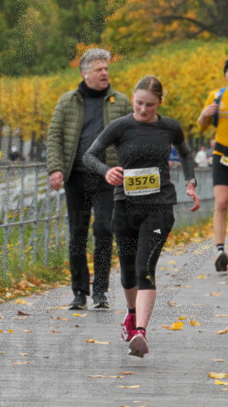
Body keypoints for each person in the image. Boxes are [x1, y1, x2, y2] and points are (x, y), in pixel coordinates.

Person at [80, 75, 200, 358]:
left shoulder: (170, 127)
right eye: (139, 103)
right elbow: (89, 156)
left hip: (159, 207)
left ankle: (140, 332)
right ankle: (132, 314)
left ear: (160, 103)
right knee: (128, 272)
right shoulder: (120, 126)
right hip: (125, 207)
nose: (143, 109)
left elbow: (185, 154)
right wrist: (106, 171)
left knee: (145, 267)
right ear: (133, 98)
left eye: (150, 105)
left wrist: (190, 182)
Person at [46, 48, 133, 310]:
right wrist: (55, 169)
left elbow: (132, 136)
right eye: (99, 69)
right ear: (85, 74)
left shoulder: (121, 101)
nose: (105, 73)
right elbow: (54, 136)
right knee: (77, 234)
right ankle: (79, 292)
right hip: (76, 176)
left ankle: (100, 291)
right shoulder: (67, 102)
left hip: (108, 176)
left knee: (104, 229)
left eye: (106, 68)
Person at [197, 60, 228, 272]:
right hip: (221, 154)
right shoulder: (216, 96)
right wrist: (204, 114)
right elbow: (202, 126)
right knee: (222, 202)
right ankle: (220, 251)